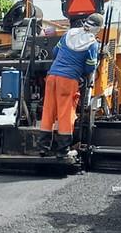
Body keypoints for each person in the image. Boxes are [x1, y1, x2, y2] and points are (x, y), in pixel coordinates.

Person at [37, 13, 102, 158]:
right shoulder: (92, 44)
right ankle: (63, 150)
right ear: (97, 29)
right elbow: (90, 67)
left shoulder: (69, 34)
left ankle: (43, 147)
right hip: (68, 80)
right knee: (65, 113)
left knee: (48, 110)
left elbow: (55, 52)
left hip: (52, 77)